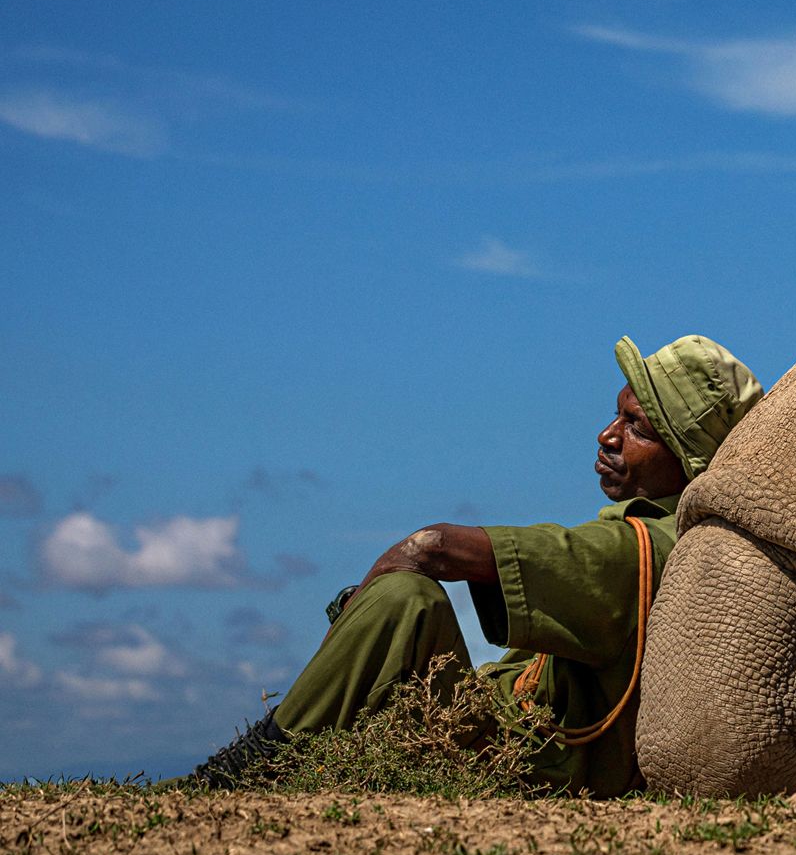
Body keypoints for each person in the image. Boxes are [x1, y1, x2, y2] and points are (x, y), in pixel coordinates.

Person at [189, 335, 762, 795]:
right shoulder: (668, 538)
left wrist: (378, 593)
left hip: (527, 762)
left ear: (686, 459)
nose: (608, 436)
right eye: (615, 416)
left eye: (637, 427)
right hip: (503, 734)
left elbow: (435, 547)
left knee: (405, 600)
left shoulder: (649, 547)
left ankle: (243, 775)